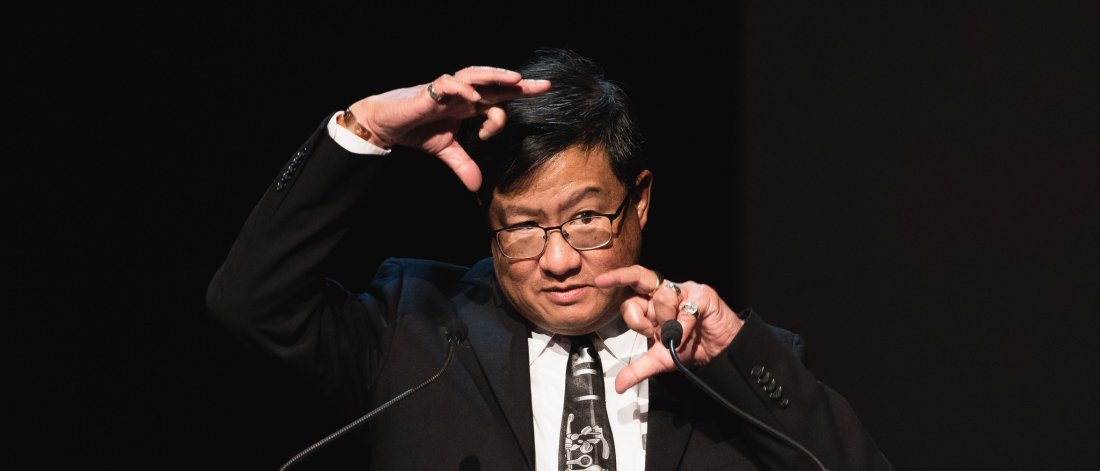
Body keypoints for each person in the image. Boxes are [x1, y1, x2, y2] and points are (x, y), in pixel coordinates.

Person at [206, 48, 892, 470]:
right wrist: (365, 128)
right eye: (525, 226)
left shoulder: (723, 364)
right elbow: (251, 300)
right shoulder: (410, 332)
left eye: (586, 218)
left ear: (640, 200)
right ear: (488, 219)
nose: (558, 259)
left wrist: (740, 360)